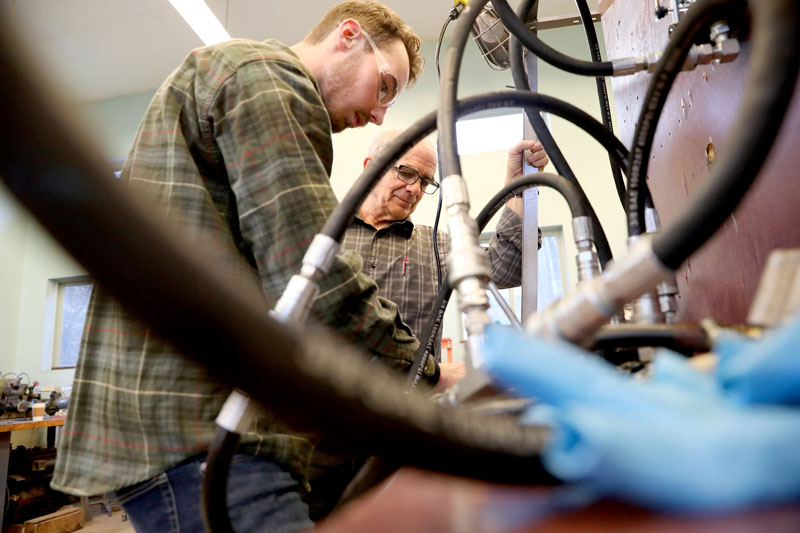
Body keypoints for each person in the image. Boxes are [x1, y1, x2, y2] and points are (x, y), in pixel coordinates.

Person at [51, 3, 432, 531]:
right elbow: (312, 279)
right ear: (348, 37)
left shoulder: (243, 79)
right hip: (199, 423)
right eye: (384, 87)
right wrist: (425, 370)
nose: (379, 114)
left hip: (192, 420)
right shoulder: (269, 78)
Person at [304, 130, 548, 520]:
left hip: (402, 430)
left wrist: (516, 187)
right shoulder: (320, 238)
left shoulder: (437, 245)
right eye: (405, 173)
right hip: (315, 432)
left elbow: (509, 263)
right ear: (371, 168)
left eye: (426, 182)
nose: (415, 188)